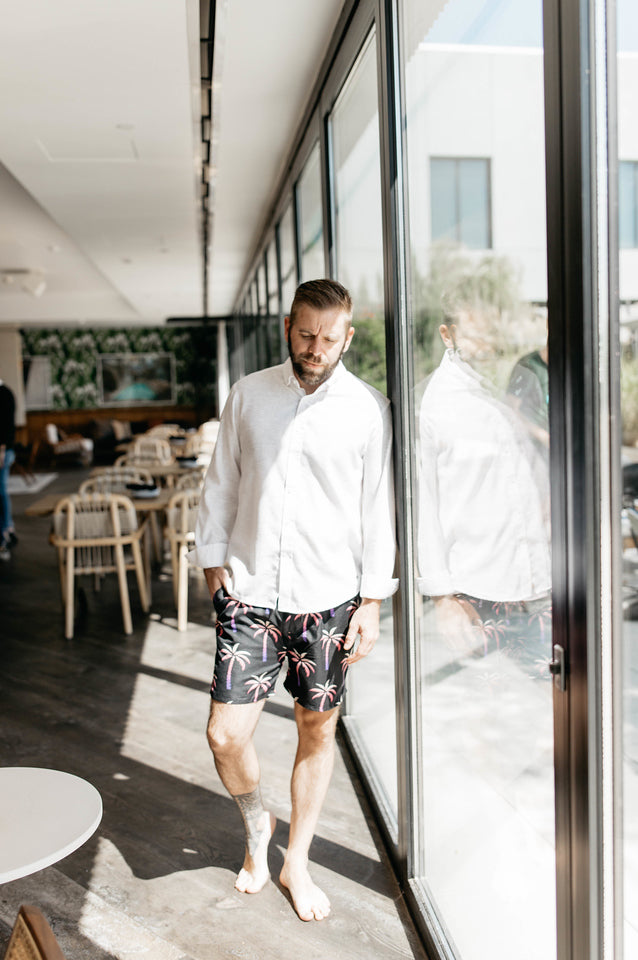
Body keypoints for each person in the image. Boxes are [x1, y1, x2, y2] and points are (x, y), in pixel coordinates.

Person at [189, 279, 397, 922]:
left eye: (330, 338)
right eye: (306, 334)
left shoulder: (367, 408)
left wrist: (372, 602)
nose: (316, 348)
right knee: (225, 734)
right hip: (250, 591)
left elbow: (376, 509)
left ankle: (296, 860)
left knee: (317, 729)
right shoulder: (249, 394)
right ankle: (257, 823)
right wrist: (211, 559)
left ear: (348, 337)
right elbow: (221, 483)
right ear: (288, 325)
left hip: (329, 599)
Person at [417, 303, 551, 658]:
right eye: (477, 336)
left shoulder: (504, 387)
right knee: (487, 710)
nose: (488, 345)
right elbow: (422, 509)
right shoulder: (432, 406)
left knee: (549, 704)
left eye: (492, 334)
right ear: (448, 335)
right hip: (479, 594)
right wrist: (443, 599)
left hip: (536, 581)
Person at [0, 379, 17, 561]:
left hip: (4, 451)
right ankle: (8, 526)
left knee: (1, 491)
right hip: (5, 450)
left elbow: (5, 426)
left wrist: (2, 450)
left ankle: (5, 530)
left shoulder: (4, 393)